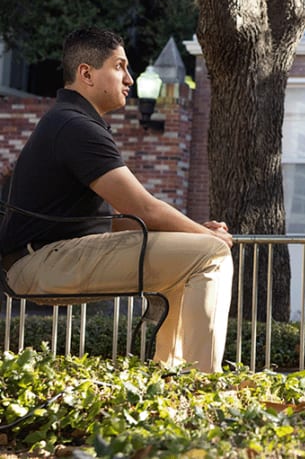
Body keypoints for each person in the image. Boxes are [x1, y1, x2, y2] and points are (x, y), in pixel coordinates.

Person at [0, 28, 234, 373]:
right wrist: (209, 237)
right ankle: (203, 386)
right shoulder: (74, 127)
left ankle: (171, 379)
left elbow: (117, 220)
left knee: (188, 262)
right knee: (211, 255)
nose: (129, 78)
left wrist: (194, 231)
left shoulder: (69, 123)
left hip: (44, 259)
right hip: (39, 264)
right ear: (86, 73)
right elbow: (143, 208)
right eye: (119, 67)